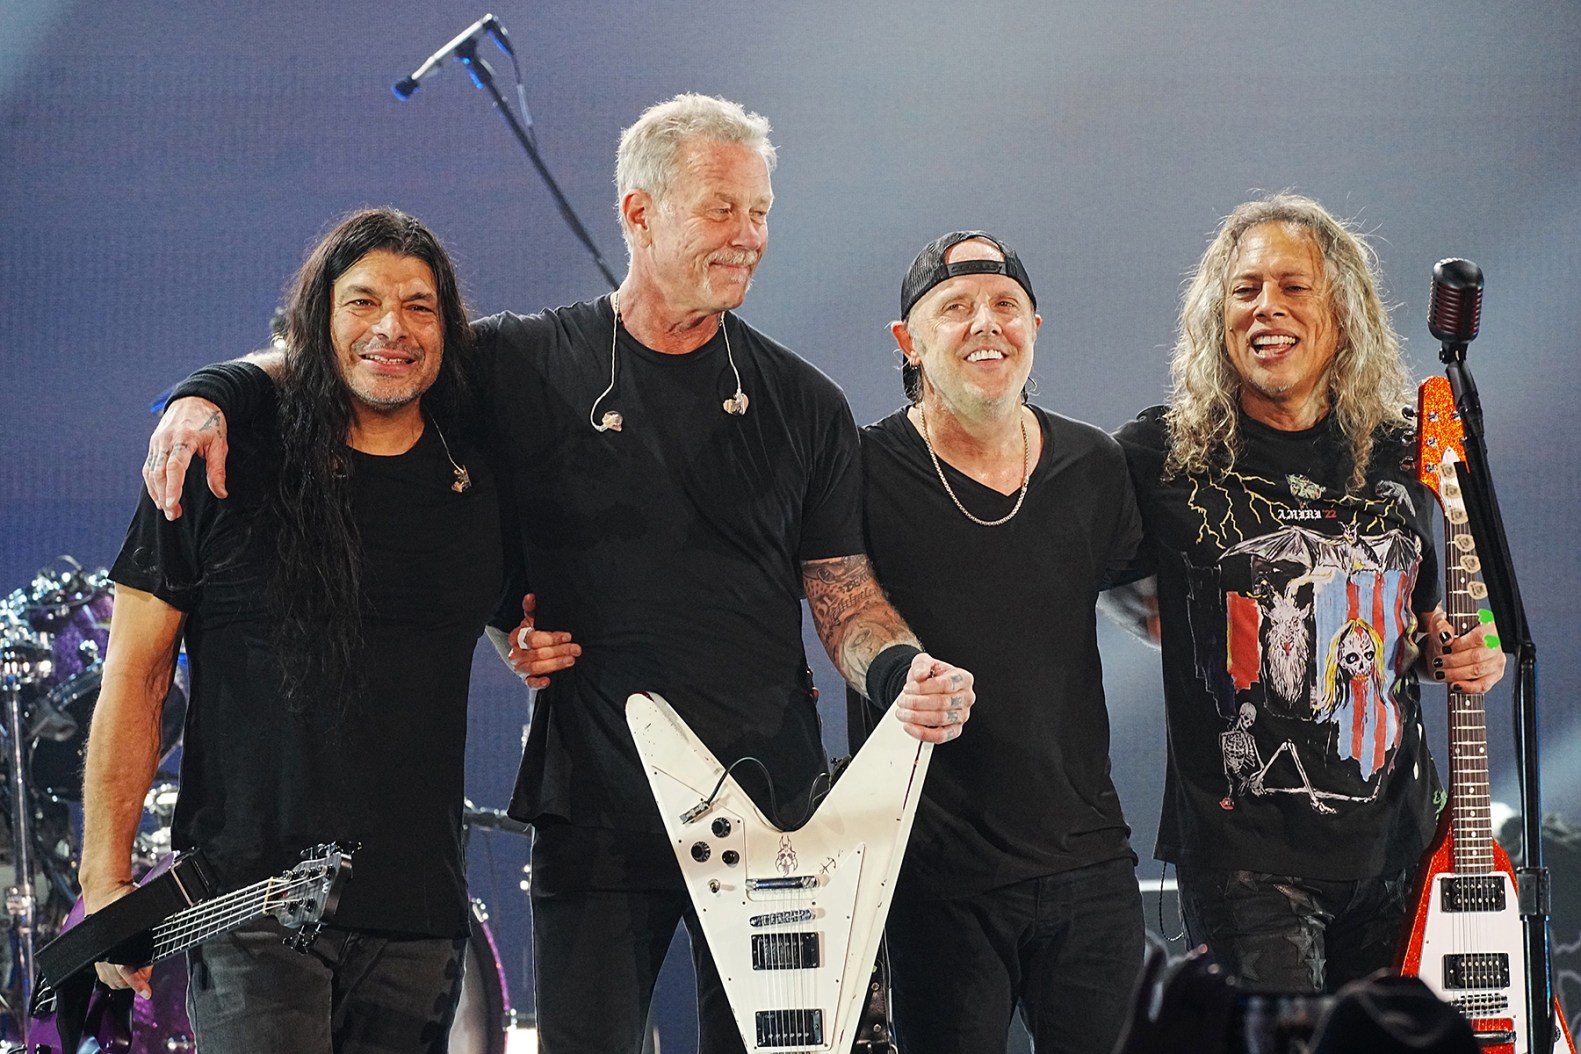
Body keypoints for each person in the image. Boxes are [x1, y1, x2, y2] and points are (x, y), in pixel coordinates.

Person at [139, 94, 975, 1054]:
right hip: (595, 810)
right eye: (720, 208)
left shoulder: (804, 402)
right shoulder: (521, 362)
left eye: (759, 211)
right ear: (638, 213)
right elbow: (365, 352)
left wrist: (897, 668)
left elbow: (843, 595)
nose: (747, 235)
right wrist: (214, 391)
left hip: (769, 812)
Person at [80, 208, 504, 1053]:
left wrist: (528, 636)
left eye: (418, 306)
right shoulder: (217, 462)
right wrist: (105, 878)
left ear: (447, 329)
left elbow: (530, 603)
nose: (392, 327)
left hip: (417, 914)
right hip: (250, 906)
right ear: (319, 319)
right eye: (363, 302)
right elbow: (137, 673)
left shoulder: (479, 478)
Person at [1111, 193, 1506, 993]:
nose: (1267, 306)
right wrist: (1157, 609)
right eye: (1245, 289)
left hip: (1398, 849)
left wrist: (1472, 649)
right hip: (1246, 862)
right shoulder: (1160, 454)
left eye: (1293, 286)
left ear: (1343, 312)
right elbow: (1085, 574)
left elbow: (1424, 622)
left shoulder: (1401, 451)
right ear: (1217, 315)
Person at [852, 231, 1146, 1054]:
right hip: (932, 875)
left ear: (1034, 328)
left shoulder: (1093, 463)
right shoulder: (861, 468)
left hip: (1086, 862)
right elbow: (832, 602)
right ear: (907, 341)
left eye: (1005, 305)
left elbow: (1158, 606)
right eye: (955, 307)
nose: (986, 323)